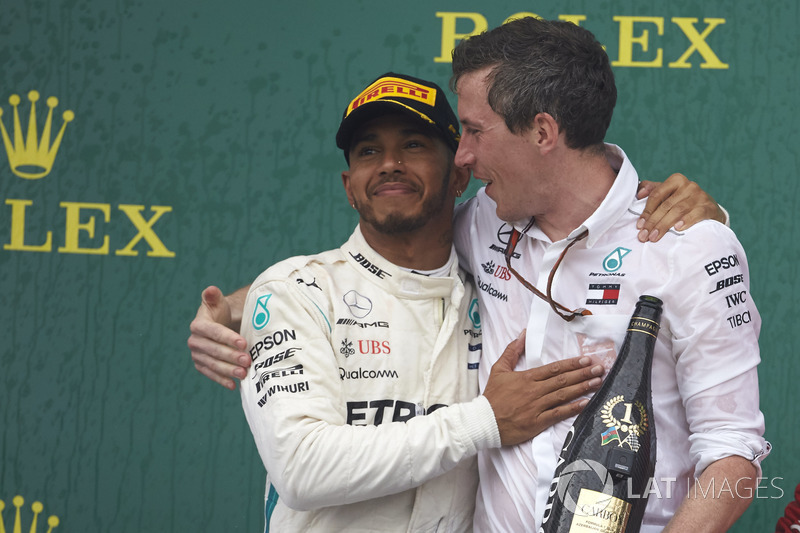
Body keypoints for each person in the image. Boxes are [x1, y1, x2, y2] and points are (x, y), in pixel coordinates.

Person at [235, 72, 608, 532]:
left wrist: (688, 211)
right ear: (349, 186)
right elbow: (300, 469)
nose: (390, 164)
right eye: (369, 150)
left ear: (458, 174)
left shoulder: (501, 285)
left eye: (413, 145)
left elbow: (591, 213)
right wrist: (484, 421)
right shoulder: (294, 293)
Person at [449, 17, 769, 532]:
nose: (463, 155)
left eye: (475, 131)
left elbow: (733, 455)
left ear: (542, 131)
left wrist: (715, 226)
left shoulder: (688, 245)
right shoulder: (480, 221)